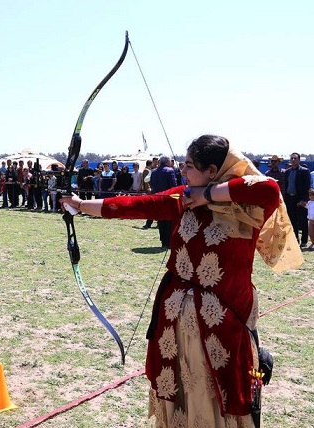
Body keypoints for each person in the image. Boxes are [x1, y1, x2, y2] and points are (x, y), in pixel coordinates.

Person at [61, 134, 303, 428]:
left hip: (224, 319)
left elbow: (269, 188)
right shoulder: (184, 197)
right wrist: (82, 205)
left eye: (189, 166)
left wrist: (209, 196)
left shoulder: (247, 206)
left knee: (219, 388)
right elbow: (138, 206)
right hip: (176, 320)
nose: (183, 171)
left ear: (212, 171)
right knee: (180, 388)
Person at [282, 153, 310, 247]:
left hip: (300, 199)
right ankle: (295, 239)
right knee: (292, 220)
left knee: (302, 220)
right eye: (291, 158)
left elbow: (307, 187)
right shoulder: (287, 172)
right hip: (290, 199)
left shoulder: (304, 171)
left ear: (299, 160)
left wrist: (304, 200)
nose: (293, 160)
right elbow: (285, 185)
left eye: (295, 158)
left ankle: (304, 241)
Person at [150, 156, 178, 247]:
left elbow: (152, 185)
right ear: (167, 162)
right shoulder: (169, 171)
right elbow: (174, 186)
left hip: (157, 198)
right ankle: (169, 241)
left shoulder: (154, 172)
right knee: (169, 220)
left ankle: (163, 241)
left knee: (161, 220)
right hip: (168, 199)